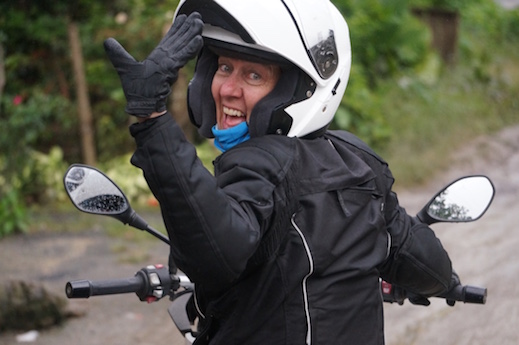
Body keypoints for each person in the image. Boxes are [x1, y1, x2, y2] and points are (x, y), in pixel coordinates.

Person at [104, 0, 457, 344]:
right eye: (224, 67)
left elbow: (215, 254)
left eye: (253, 74)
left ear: (298, 89)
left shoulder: (260, 164)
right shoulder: (358, 162)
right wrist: (446, 282)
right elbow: (426, 265)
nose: (227, 88)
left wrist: (152, 120)